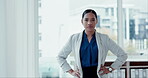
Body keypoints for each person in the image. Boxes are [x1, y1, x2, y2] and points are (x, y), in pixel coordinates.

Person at [57, 9, 128, 78]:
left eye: (92, 20)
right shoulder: (74, 38)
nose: (89, 23)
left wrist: (110, 69)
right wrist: (71, 71)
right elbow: (60, 57)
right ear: (82, 21)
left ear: (96, 21)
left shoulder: (104, 38)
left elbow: (123, 55)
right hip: (81, 75)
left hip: (98, 75)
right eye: (86, 20)